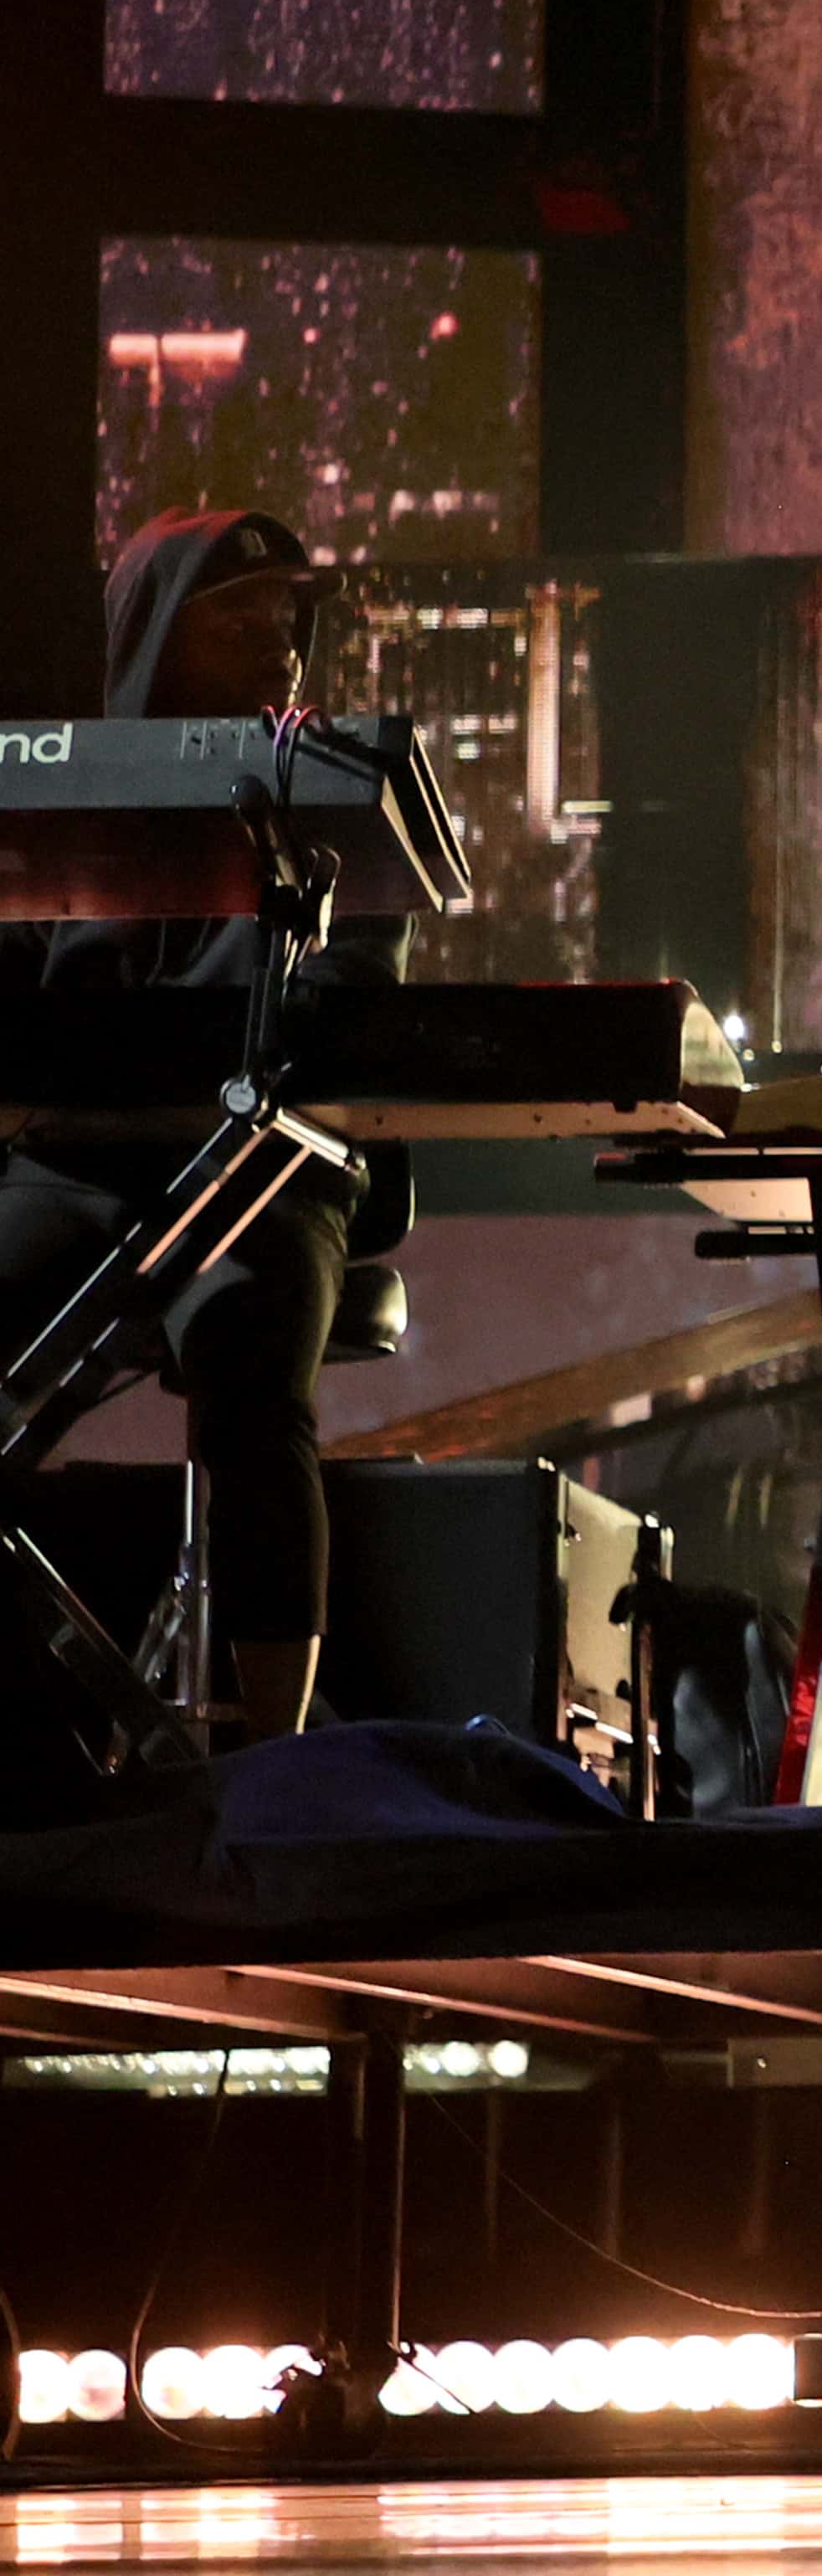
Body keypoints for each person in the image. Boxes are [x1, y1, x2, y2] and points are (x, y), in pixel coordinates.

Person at [0, 511, 395, 1755]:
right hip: (81, 1161)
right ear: (160, 639)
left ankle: (267, 1767)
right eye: (243, 617)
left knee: (252, 1381)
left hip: (268, 1171)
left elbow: (351, 1009)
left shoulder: (331, 787)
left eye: (290, 613)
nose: (281, 640)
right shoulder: (62, 790)